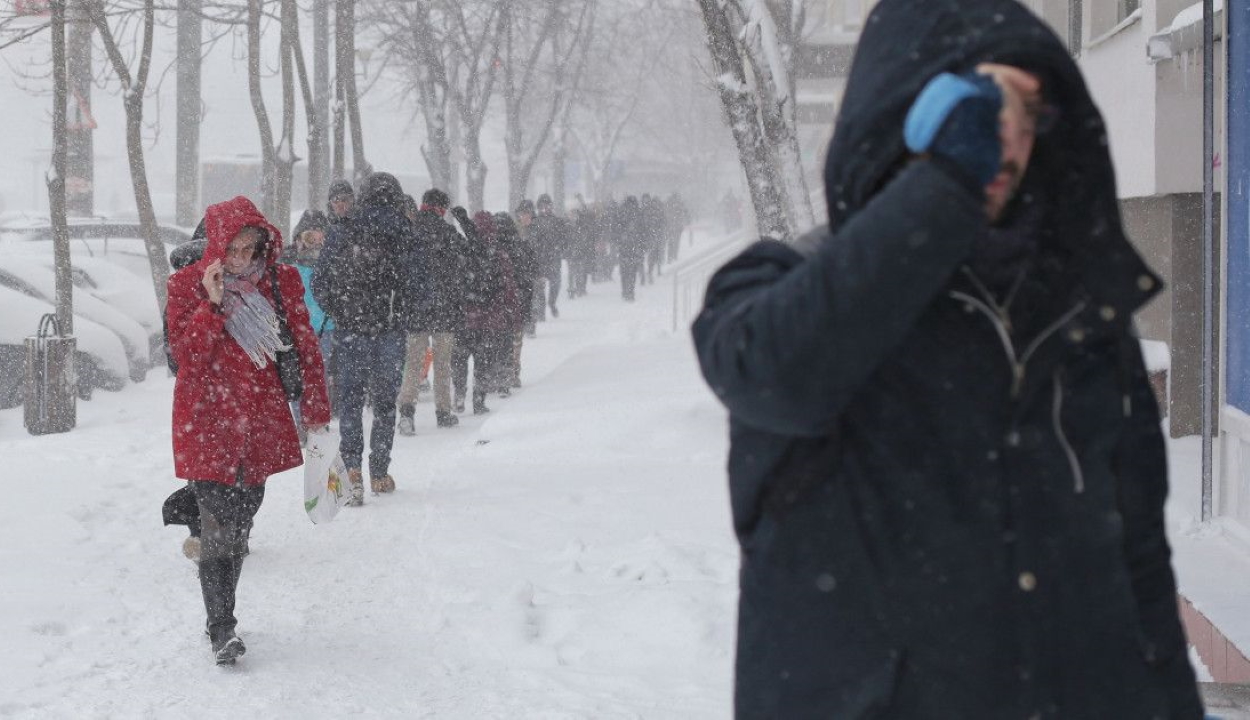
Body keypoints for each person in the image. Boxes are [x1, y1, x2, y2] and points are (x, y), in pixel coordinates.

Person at [691, 1, 1204, 717]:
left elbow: (1139, 568)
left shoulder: (1083, 322)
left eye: (1029, 109)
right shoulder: (784, 284)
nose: (1008, 137)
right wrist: (944, 185)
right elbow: (777, 380)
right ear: (907, 110)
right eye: (980, 104)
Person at [166, 196, 331, 665]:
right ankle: (223, 627)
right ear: (216, 245)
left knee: (241, 518)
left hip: (258, 419)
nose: (241, 259)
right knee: (217, 521)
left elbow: (305, 345)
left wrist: (316, 408)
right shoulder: (186, 285)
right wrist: (212, 305)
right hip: (208, 418)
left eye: (250, 249)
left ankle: (221, 613)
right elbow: (185, 357)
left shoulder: (281, 282)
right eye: (232, 249)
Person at [313, 172, 425, 504]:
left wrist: (342, 313)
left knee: (350, 402)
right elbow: (420, 284)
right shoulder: (405, 230)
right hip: (389, 331)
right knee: (385, 403)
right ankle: (379, 472)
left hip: (351, 332)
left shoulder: (344, 229)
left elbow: (319, 282)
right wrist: (401, 314)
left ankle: (352, 471)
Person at [398, 188, 465, 427]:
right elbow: (465, 261)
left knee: (413, 363)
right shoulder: (447, 232)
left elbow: (401, 271)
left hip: (416, 309)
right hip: (443, 310)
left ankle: (407, 412)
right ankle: (443, 412)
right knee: (442, 365)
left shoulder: (410, 232)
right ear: (442, 208)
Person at [289, 209, 336, 417]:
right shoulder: (289, 267)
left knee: (321, 378)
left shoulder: (332, 267)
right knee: (298, 379)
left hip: (326, 331)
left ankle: (317, 421)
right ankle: (301, 422)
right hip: (298, 332)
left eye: (320, 239)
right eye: (310, 238)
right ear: (299, 239)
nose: (316, 244)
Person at [496, 212, 536, 388]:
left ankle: (500, 372)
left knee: (498, 340)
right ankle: (513, 372)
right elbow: (529, 277)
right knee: (515, 340)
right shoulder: (522, 247)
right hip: (517, 301)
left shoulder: (492, 249)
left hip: (498, 303)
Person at [529, 194, 571, 319]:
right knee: (539, 287)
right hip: (540, 259)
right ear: (539, 207)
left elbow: (565, 238)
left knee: (555, 284)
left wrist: (561, 248)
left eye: (548, 205)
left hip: (554, 258)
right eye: (542, 206)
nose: (545, 208)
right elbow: (532, 240)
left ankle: (552, 303)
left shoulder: (558, 221)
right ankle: (541, 312)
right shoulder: (535, 222)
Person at [616, 196, 645, 302]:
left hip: (625, 248)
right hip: (634, 247)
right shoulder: (639, 214)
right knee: (632, 272)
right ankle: (630, 291)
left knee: (625, 271)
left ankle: (625, 290)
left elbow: (616, 229)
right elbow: (644, 231)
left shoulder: (622, 213)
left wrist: (620, 238)